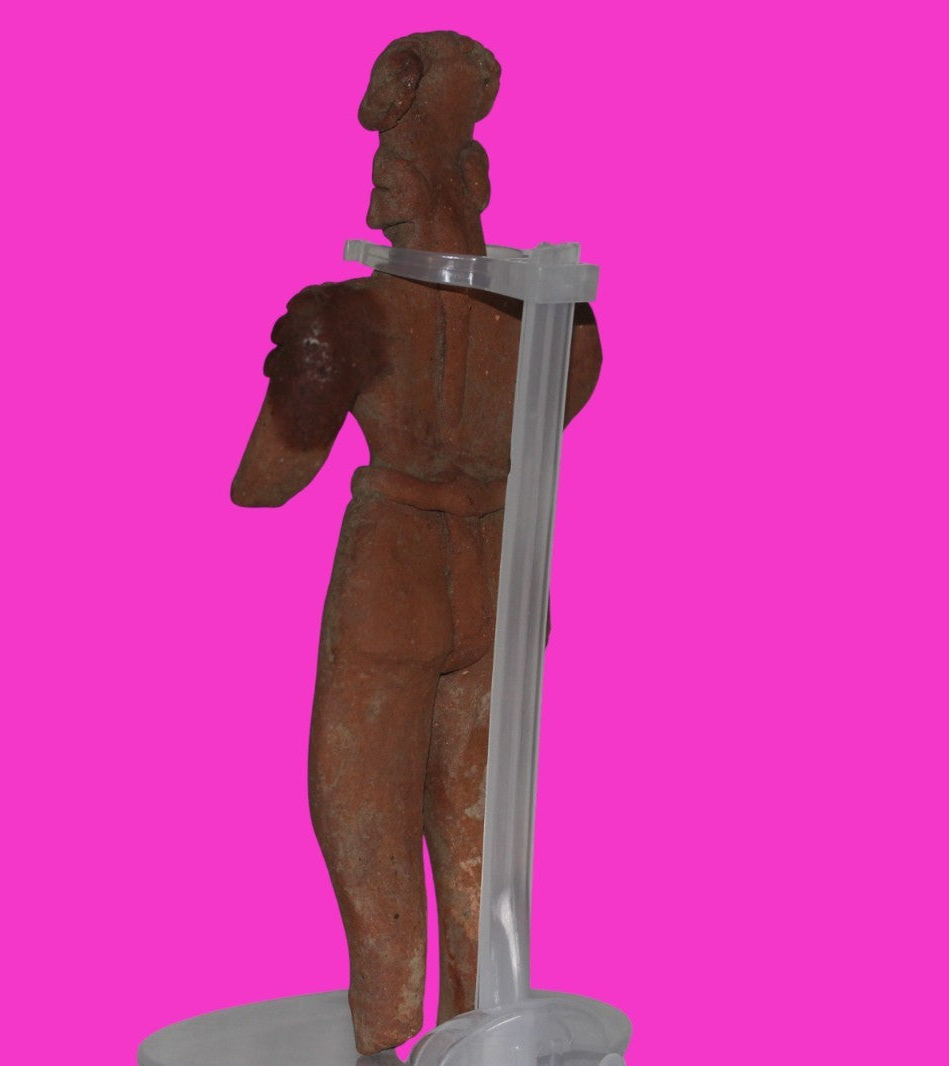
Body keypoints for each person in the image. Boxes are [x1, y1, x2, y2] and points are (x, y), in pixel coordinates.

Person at [230, 31, 601, 1056]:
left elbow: (265, 483)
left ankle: (386, 1029)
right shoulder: (552, 315)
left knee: (363, 807)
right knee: (481, 818)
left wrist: (307, 371)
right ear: (477, 179)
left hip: (394, 566)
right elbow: (556, 412)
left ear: (394, 186)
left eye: (386, 167)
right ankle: (481, 1026)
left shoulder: (347, 314)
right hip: (501, 573)